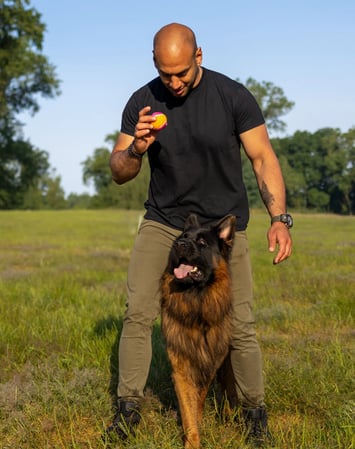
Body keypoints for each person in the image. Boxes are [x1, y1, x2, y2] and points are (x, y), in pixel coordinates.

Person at [106, 22, 293, 447]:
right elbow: (118, 171)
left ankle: (253, 413)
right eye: (164, 72)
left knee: (241, 323)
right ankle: (128, 409)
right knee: (138, 312)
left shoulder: (233, 97)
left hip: (222, 228)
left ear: (199, 57)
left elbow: (263, 159)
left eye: (182, 73)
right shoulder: (142, 101)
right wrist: (135, 149)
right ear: (155, 63)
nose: (173, 83)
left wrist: (279, 219)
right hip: (165, 221)